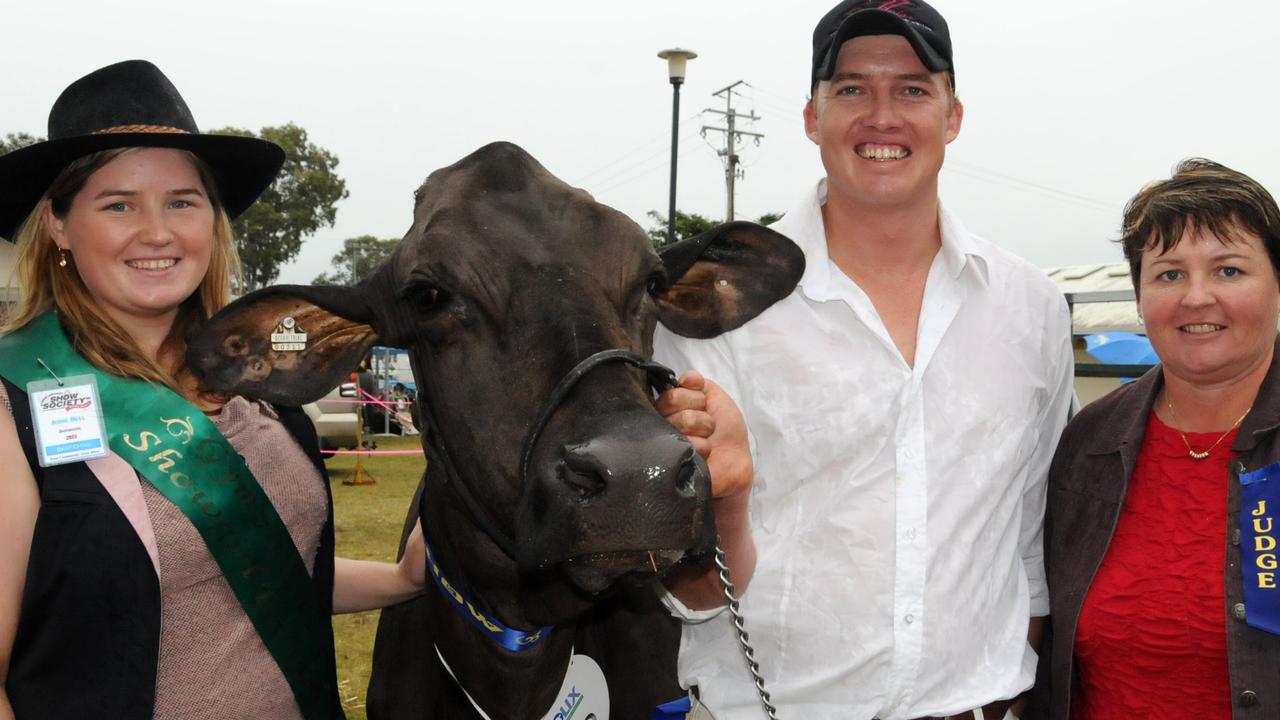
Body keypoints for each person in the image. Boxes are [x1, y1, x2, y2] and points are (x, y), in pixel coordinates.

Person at [655, 1, 1075, 717]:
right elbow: (692, 594)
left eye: (913, 89)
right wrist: (727, 496)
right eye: (851, 88)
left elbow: (1030, 541)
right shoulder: (716, 301)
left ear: (953, 116)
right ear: (813, 117)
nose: (882, 115)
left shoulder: (1030, 305)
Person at [0, 60, 424, 720]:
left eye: (182, 201)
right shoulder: (12, 403)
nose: (158, 232)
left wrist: (400, 580)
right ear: (57, 224)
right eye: (118, 204)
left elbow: (264, 579)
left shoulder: (262, 389)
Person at [1030, 159, 1280, 719]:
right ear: (1140, 293)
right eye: (1169, 274)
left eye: (1229, 270)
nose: (1196, 298)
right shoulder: (1090, 443)